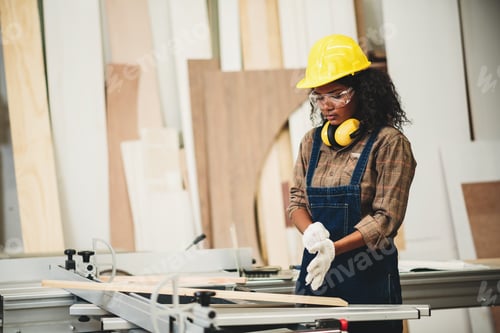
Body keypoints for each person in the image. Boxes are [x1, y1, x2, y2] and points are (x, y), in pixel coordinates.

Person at [288, 34, 416, 333]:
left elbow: (386, 220)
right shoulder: (311, 142)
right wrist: (311, 231)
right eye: (319, 97)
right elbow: (296, 201)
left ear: (364, 91)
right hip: (316, 276)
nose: (326, 106)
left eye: (337, 94)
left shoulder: (389, 143)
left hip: (367, 282)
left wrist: (335, 248)